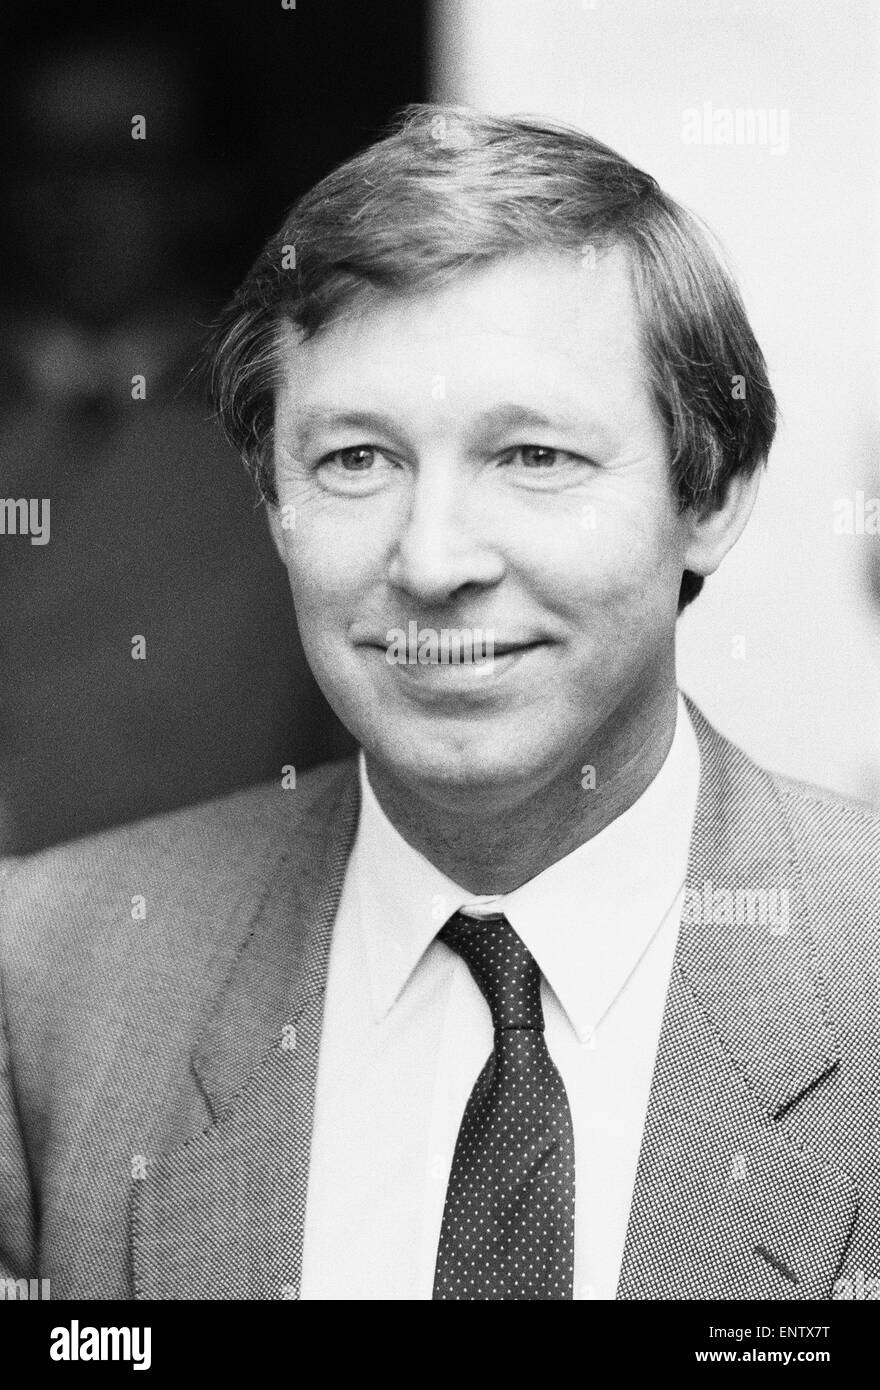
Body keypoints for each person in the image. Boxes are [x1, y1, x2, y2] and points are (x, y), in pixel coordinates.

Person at [1, 104, 877, 1302]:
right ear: (271, 501)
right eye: (356, 459)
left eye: (533, 457)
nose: (431, 558)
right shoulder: (48, 981)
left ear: (708, 493)